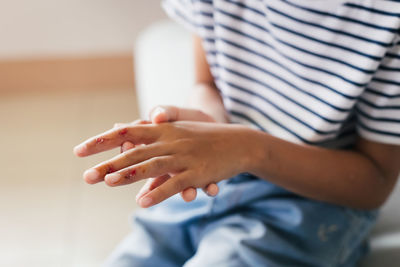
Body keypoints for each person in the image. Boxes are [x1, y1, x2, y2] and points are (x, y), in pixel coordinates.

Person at [74, 0, 400, 266]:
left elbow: (374, 183)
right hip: (210, 186)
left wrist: (247, 149)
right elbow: (207, 84)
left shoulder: (387, 17)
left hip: (313, 203)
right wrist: (207, 124)